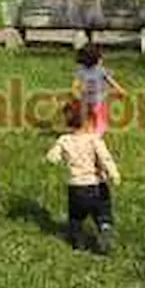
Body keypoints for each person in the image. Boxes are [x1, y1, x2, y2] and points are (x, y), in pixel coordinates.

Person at [46, 100, 120, 254]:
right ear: (88, 122)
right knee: (102, 212)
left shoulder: (64, 140)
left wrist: (59, 157)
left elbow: (51, 157)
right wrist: (114, 174)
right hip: (96, 185)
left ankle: (77, 243)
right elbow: (105, 158)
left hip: (76, 188)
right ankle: (104, 228)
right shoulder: (94, 140)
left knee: (76, 218)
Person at [71, 43, 126, 138]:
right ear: (97, 60)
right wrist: (76, 92)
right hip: (88, 98)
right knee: (87, 114)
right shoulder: (86, 70)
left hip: (97, 99)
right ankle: (86, 128)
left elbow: (109, 80)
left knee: (96, 113)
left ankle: (98, 129)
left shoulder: (99, 70)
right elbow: (76, 83)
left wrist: (119, 89)